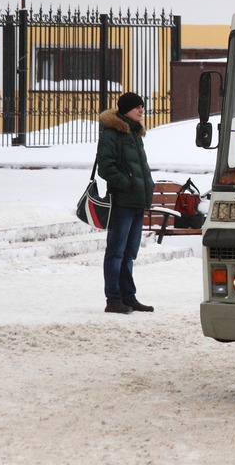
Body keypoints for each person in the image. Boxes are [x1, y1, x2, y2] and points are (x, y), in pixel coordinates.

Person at [97, 92, 156, 314]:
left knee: (129, 252)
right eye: (137, 107)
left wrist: (146, 186)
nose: (141, 110)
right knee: (116, 252)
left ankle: (128, 297)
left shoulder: (134, 133)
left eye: (142, 106)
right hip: (122, 201)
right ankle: (113, 298)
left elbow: (141, 167)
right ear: (125, 109)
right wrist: (128, 184)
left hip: (137, 201)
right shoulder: (111, 134)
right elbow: (106, 168)